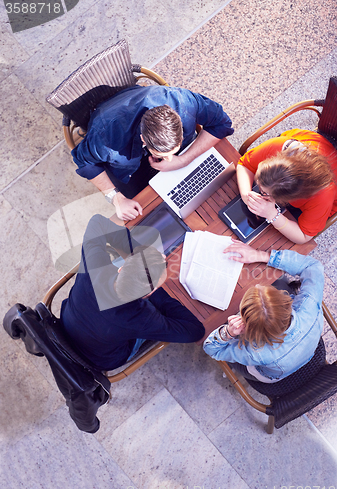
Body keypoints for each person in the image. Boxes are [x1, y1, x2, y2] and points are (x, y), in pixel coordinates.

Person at [60, 214, 205, 371]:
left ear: (122, 269)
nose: (164, 258)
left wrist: (141, 261)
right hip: (101, 359)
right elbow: (195, 331)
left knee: (113, 258)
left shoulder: (94, 266)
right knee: (151, 325)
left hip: (67, 326)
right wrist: (160, 296)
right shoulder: (142, 318)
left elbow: (97, 221)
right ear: (149, 293)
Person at [71, 85, 234, 220]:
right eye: (163, 155)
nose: (170, 159)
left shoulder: (183, 102)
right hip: (128, 166)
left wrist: (184, 159)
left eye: (173, 152)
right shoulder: (106, 137)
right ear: (143, 140)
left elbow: (222, 123)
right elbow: (84, 162)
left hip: (149, 128)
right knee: (149, 215)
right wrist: (116, 198)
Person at [203, 239, 324, 383]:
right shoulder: (309, 303)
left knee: (233, 353)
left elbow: (212, 350)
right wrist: (262, 256)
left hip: (270, 375)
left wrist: (228, 332)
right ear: (284, 302)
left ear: (250, 328)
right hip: (308, 350)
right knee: (280, 282)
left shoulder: (255, 353)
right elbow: (313, 266)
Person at [236, 128, 337, 244]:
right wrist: (246, 195)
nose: (258, 187)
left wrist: (272, 214)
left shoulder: (323, 197)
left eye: (263, 192)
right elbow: (244, 165)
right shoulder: (278, 145)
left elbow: (303, 236)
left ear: (286, 199)